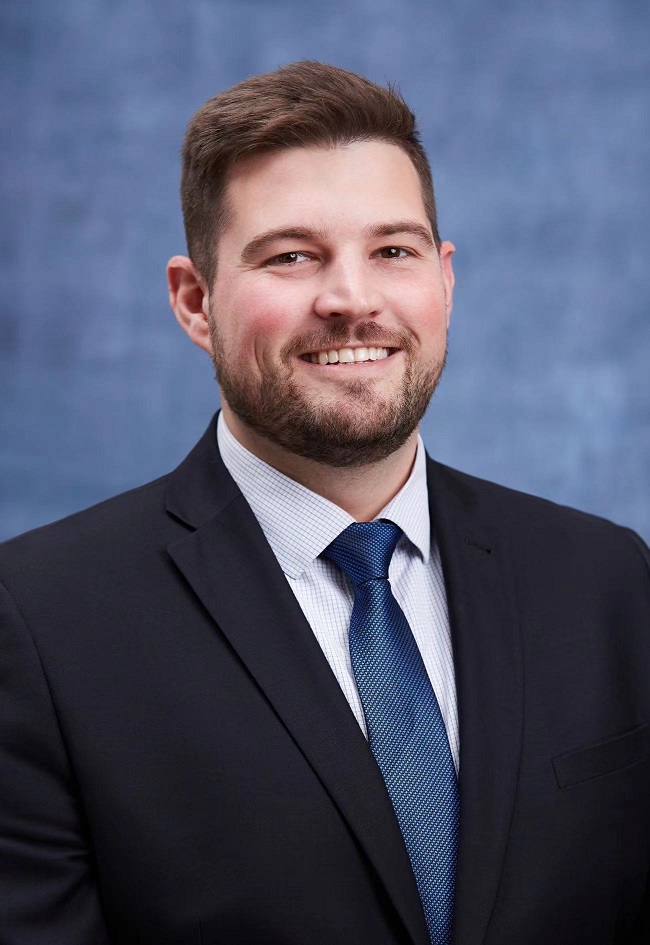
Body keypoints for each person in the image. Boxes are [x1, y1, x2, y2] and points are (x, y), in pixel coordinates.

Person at [0, 61, 648, 945]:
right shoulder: (38, 618)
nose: (352, 299)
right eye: (292, 255)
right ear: (195, 301)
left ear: (444, 279)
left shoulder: (608, 581)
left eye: (393, 250)